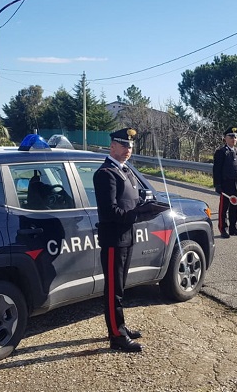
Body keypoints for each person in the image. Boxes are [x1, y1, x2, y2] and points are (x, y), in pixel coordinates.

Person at [93, 127, 156, 352]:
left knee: (121, 287)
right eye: (124, 145)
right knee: (113, 290)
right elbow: (110, 211)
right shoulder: (105, 173)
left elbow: (134, 200)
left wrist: (148, 208)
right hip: (113, 239)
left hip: (127, 236)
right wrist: (137, 215)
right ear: (112, 146)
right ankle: (117, 336)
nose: (128, 149)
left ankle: (120, 326)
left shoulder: (126, 170)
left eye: (130, 145)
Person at [213, 127, 237, 238]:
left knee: (234, 208)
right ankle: (223, 228)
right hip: (226, 184)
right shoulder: (221, 152)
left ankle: (233, 228)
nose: (234, 138)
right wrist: (217, 185)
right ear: (225, 138)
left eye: (235, 137)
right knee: (224, 209)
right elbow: (217, 170)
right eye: (231, 136)